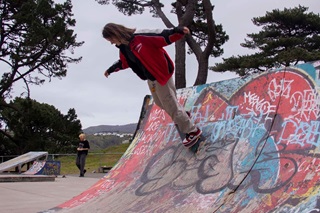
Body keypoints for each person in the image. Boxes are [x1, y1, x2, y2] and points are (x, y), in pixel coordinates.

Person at [102, 23, 202, 149]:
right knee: (160, 102)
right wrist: (110, 70)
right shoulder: (124, 48)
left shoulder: (140, 36)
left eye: (111, 39)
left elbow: (162, 35)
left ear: (115, 33)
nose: (111, 43)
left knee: (170, 105)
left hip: (161, 74)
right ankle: (183, 115)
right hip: (151, 78)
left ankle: (193, 131)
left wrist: (179, 31)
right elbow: (124, 62)